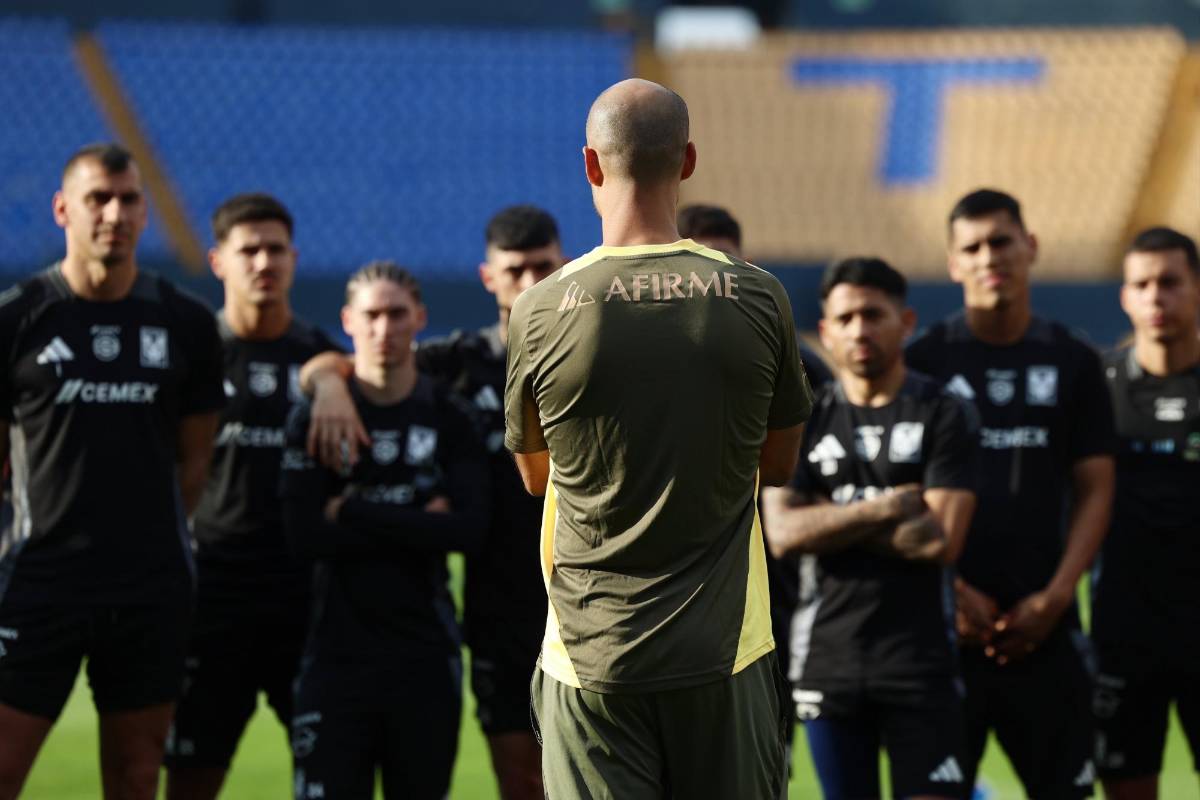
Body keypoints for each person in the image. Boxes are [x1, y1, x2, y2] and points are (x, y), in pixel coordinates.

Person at [504, 78, 812, 799]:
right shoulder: (758, 296)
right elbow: (779, 461)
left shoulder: (541, 308)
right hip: (725, 652)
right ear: (689, 161)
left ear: (591, 164)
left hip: (589, 656)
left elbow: (535, 476)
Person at [299, 205, 561, 800]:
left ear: (562, 265)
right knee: (522, 782)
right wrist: (329, 383)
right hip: (502, 614)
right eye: (513, 270)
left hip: (592, 600)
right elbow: (362, 362)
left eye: (541, 268)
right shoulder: (461, 364)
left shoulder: (594, 354)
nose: (528, 283)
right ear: (487, 276)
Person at [0, 143, 224, 799]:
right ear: (63, 209)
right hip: (39, 581)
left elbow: (195, 463)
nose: (114, 214)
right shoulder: (17, 319)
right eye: (98, 198)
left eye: (128, 200)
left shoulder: (185, 324)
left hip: (149, 589)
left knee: (133, 777)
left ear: (144, 213)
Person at [906, 188, 1116, 798]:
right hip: (945, 634)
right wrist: (954, 590)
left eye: (1001, 241)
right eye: (971, 246)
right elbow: (904, 493)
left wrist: (1055, 598)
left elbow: (1096, 490)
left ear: (1031, 247)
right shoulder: (924, 364)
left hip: (1047, 630)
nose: (988, 256)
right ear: (952, 263)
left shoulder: (1074, 360)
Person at [761, 256, 977, 800]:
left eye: (874, 314)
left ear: (905, 322)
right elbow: (783, 533)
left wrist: (829, 516)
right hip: (828, 662)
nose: (861, 329)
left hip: (920, 662)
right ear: (826, 331)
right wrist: (886, 508)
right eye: (847, 318)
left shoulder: (944, 412)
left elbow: (938, 539)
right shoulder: (804, 417)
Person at [280, 262, 489, 800]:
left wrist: (350, 511)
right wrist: (422, 520)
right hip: (333, 659)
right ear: (347, 320)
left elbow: (468, 532)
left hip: (423, 660)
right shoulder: (315, 417)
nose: (384, 328)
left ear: (420, 318)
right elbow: (304, 535)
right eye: (371, 315)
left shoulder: (450, 415)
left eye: (397, 314)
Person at [163, 194, 342, 799]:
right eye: (249, 250)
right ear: (217, 260)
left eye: (275, 250)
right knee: (190, 779)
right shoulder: (188, 360)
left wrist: (333, 380)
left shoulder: (321, 362)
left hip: (303, 605)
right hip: (209, 604)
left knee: (327, 780)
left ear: (293, 258)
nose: (263, 262)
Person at [678, 201, 832, 790]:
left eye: (729, 262)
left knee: (766, 766)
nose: (719, 278)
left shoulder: (802, 365)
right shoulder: (646, 356)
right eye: (705, 262)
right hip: (678, 590)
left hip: (775, 590)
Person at [1091, 227, 1200, 800]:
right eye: (1142, 284)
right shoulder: (1097, 389)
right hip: (1124, 637)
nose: (1156, 297)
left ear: (1197, 289)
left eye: (1171, 283)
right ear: (1125, 297)